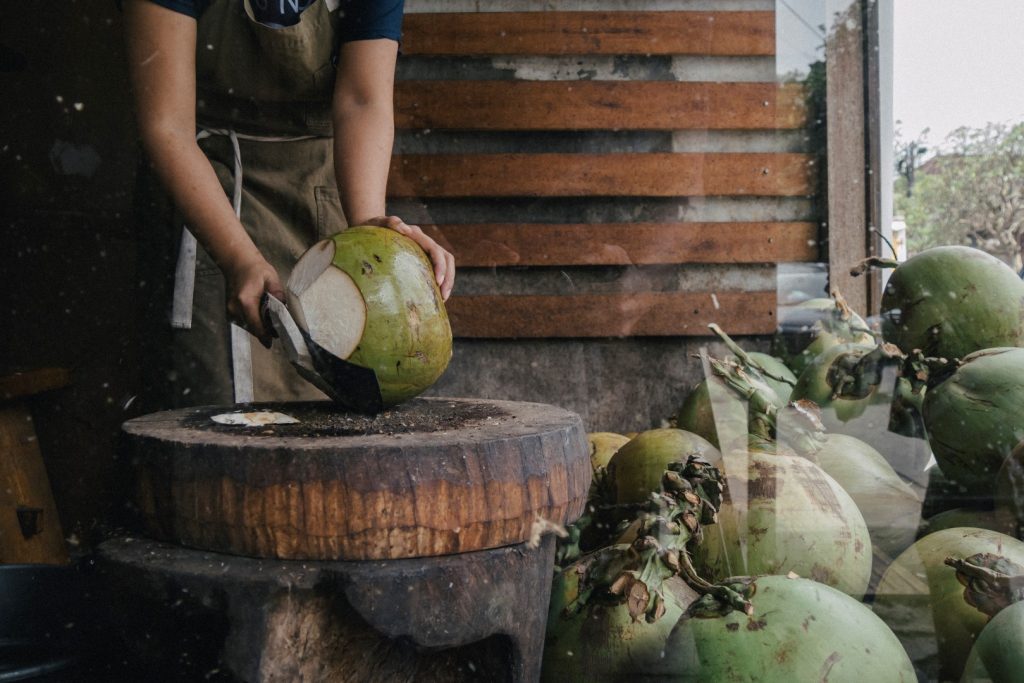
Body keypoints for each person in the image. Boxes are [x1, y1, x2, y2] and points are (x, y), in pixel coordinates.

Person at [122, 0, 454, 409]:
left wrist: (369, 231)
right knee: (217, 408)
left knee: (325, 410)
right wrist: (237, 257)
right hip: (209, 189)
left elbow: (361, 101)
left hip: (321, 188)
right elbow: (167, 125)